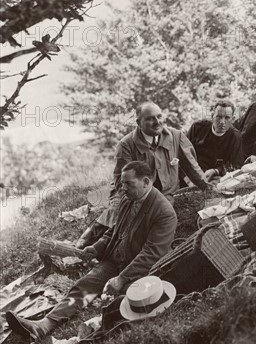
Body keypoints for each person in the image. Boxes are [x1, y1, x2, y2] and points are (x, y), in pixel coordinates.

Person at [6, 161, 177, 342]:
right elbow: (114, 231)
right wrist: (96, 248)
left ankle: (99, 330)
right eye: (122, 183)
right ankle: (42, 326)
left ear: (146, 182)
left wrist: (122, 278)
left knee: (127, 301)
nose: (123, 188)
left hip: (139, 272)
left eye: (129, 184)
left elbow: (151, 254)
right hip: (114, 262)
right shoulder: (128, 200)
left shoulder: (164, 213)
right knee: (84, 285)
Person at [76, 101, 209, 248]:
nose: (157, 122)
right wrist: (125, 199)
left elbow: (192, 167)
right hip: (134, 192)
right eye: (150, 118)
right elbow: (120, 179)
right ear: (138, 122)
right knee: (119, 211)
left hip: (166, 194)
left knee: (152, 219)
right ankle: (81, 246)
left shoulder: (176, 136)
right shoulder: (126, 144)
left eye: (159, 116)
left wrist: (208, 187)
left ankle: (111, 248)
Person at [187, 99, 244, 181]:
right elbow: (183, 153)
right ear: (212, 116)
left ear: (233, 119)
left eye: (227, 118)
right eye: (219, 117)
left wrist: (216, 171)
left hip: (218, 178)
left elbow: (237, 165)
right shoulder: (197, 128)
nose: (222, 122)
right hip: (192, 174)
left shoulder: (235, 136)